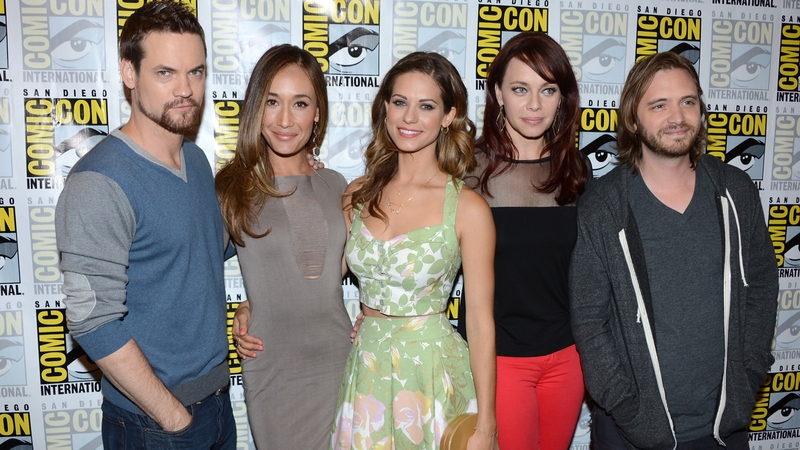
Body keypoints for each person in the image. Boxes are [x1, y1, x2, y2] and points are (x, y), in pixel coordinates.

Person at [569, 51, 778, 449]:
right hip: (630, 432)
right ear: (633, 118)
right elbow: (589, 318)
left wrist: (749, 375)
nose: (677, 117)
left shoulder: (735, 191)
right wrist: (629, 409)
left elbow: (763, 286)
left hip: (723, 428)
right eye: (659, 105)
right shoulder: (603, 206)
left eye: (688, 101)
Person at [55, 1, 236, 449]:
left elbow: (206, 253)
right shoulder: (100, 180)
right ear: (129, 74)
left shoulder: (194, 158)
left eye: (196, 72)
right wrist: (173, 418)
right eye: (165, 73)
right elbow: (92, 321)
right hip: (154, 423)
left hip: (217, 403)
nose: (186, 89)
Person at [331, 52, 499, 450]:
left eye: (426, 106)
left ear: (447, 116)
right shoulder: (356, 195)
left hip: (433, 372)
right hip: (367, 370)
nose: (409, 118)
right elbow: (321, 281)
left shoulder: (467, 208)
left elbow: (479, 323)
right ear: (385, 107)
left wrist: (487, 425)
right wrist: (255, 302)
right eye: (400, 102)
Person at [216, 44, 352, 449]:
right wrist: (250, 302)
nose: (285, 119)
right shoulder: (231, 188)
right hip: (273, 367)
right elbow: (194, 273)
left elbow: (338, 268)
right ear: (256, 107)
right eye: (272, 101)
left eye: (300, 103)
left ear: (317, 113)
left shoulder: (336, 185)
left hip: (338, 358)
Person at [460, 31, 588, 450]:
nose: (534, 105)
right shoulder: (467, 170)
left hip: (567, 358)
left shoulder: (577, 169)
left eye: (547, 90)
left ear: (562, 98)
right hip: (499, 359)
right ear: (498, 93)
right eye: (520, 89)